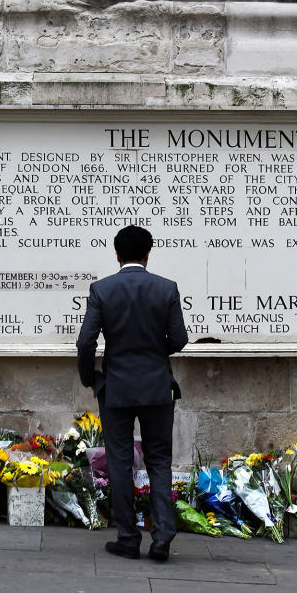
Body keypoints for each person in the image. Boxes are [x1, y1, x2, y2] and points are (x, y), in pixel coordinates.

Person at [76, 225, 189, 562]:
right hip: (156, 386)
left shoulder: (103, 289)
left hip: (117, 387)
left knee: (120, 462)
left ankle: (128, 538)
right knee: (159, 461)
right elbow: (179, 339)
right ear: (148, 253)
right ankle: (162, 538)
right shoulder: (166, 288)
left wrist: (90, 379)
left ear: (116, 254)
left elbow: (86, 341)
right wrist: (156, 353)